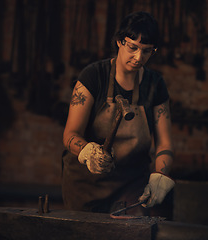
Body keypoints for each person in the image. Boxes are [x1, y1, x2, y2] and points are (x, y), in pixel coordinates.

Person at [62, 11, 175, 215]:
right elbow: (70, 134)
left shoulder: (155, 85)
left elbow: (164, 143)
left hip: (130, 184)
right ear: (119, 42)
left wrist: (160, 174)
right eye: (133, 47)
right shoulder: (93, 76)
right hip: (86, 186)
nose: (139, 57)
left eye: (147, 51)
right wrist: (87, 151)